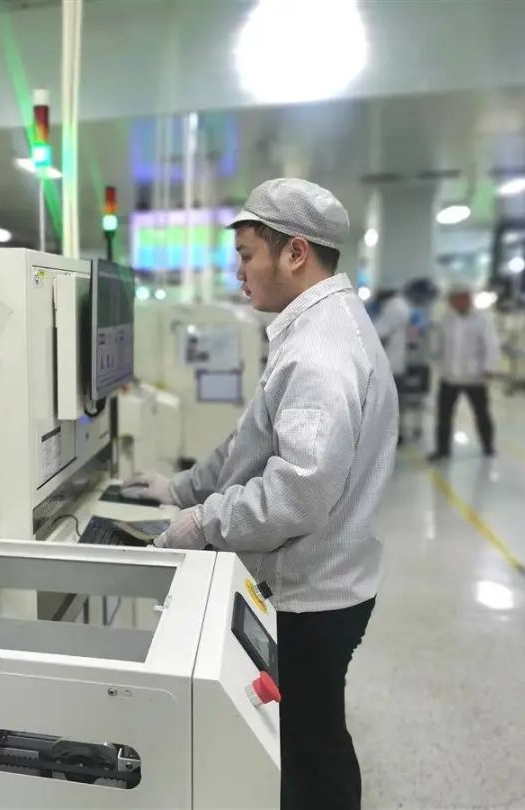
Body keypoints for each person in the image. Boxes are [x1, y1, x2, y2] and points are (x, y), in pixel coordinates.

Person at [123, 178, 398, 810]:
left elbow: (297, 491)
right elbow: (254, 437)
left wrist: (203, 522)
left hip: (311, 595)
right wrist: (182, 488)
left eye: (247, 255)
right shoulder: (317, 328)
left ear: (295, 252)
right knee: (308, 738)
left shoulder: (320, 353)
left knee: (309, 751)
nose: (238, 270)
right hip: (330, 578)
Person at [427, 288, 501, 461]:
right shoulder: (446, 320)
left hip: (474, 377)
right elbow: (439, 345)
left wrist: (489, 368)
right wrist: (437, 363)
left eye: (460, 299)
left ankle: (488, 446)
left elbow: (491, 345)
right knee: (444, 416)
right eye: (453, 300)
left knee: (481, 413)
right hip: (449, 377)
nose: (456, 303)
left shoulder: (483, 320)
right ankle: (442, 450)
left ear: (468, 300)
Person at [372, 288, 412, 442]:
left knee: (388, 406)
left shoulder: (395, 308)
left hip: (390, 367)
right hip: (393, 365)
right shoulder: (397, 306)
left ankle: (390, 437)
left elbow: (378, 333)